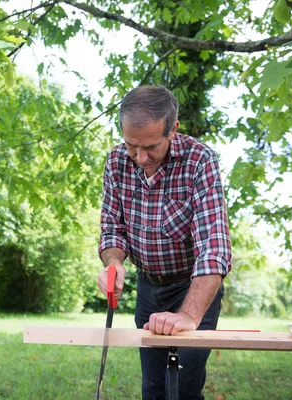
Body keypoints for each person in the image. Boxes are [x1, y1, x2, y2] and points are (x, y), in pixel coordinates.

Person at [96, 85, 232, 400]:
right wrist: (114, 264)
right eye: (132, 145)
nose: (140, 158)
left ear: (173, 130)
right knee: (155, 389)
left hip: (193, 287)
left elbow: (214, 248)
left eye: (151, 147)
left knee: (183, 387)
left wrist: (188, 316)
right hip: (148, 288)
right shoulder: (116, 161)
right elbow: (112, 228)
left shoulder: (200, 160)